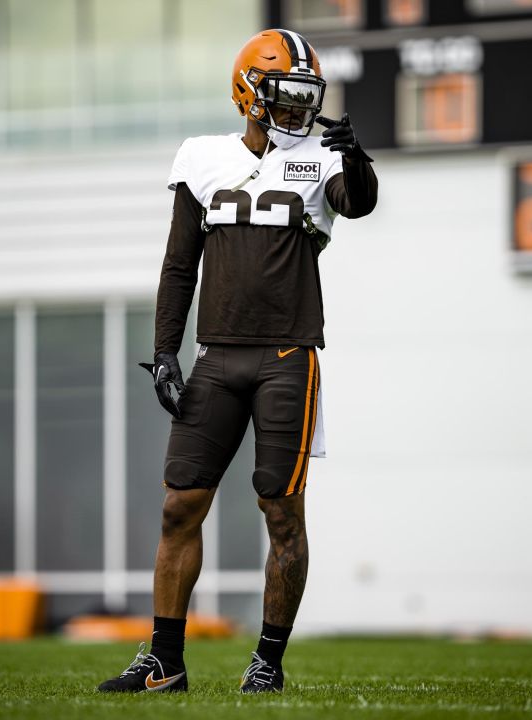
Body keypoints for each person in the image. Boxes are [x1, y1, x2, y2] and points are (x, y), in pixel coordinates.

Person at [98, 28, 378, 694]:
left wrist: (357, 160)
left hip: (288, 355)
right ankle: (165, 660)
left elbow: (357, 204)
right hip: (216, 357)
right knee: (179, 505)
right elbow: (178, 261)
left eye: (305, 98)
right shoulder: (202, 156)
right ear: (249, 92)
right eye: (284, 95)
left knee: (280, 512)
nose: (297, 110)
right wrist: (165, 349)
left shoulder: (322, 156)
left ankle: (267, 662)